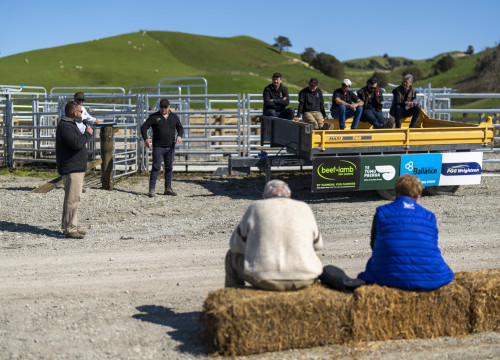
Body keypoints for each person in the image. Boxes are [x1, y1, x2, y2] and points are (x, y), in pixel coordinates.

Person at [357, 174, 454, 290]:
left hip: (387, 276)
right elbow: (431, 245)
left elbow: (374, 245)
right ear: (418, 196)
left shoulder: (382, 212)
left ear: (395, 192)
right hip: (429, 278)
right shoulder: (429, 216)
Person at [225, 179, 323, 291]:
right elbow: (318, 245)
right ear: (289, 195)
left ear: (264, 196)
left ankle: (232, 299)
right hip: (305, 279)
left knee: (231, 256)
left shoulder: (255, 207)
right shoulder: (304, 207)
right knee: (316, 255)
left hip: (265, 280)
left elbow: (235, 246)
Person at [55, 101, 93, 239]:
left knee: (74, 198)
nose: (81, 114)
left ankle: (71, 226)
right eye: (79, 111)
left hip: (74, 167)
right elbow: (77, 143)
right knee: (73, 198)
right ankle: (70, 229)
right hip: (72, 168)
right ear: (73, 112)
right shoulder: (65, 126)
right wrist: (88, 134)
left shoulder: (69, 125)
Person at [140, 99, 183, 197]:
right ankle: (152, 189)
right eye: (161, 106)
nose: (163, 109)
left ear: (169, 107)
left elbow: (180, 128)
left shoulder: (174, 117)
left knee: (169, 167)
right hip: (158, 146)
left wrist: (179, 136)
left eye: (165, 107)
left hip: (170, 146)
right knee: (156, 167)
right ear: (159, 107)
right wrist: (146, 139)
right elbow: (143, 127)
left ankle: (168, 188)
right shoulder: (154, 117)